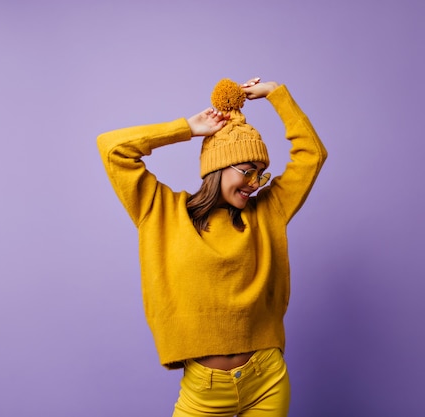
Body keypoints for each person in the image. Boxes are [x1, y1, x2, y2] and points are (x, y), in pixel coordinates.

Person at [97, 76, 327, 416]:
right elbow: (113, 148)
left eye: (261, 174)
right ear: (219, 167)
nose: (254, 184)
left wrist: (277, 95)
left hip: (268, 380)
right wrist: (186, 128)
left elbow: (312, 155)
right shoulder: (160, 211)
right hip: (204, 390)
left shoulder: (267, 212)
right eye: (248, 171)